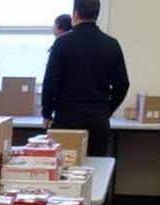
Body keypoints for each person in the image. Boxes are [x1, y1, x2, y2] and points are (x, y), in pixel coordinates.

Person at [41, 0, 129, 157]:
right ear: (97, 14)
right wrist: (106, 110)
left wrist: (47, 113)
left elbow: (50, 84)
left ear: (75, 14)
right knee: (97, 171)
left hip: (66, 119)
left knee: (64, 170)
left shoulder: (62, 43)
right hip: (98, 120)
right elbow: (122, 85)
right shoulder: (111, 44)